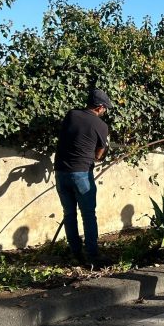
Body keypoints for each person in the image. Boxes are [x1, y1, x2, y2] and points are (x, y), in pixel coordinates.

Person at [54, 88, 111, 267]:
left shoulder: (71, 115)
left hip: (61, 172)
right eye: (105, 108)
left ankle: (76, 253)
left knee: (69, 214)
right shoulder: (101, 126)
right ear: (100, 107)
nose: (105, 111)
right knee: (88, 214)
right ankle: (92, 255)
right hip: (82, 174)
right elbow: (99, 154)